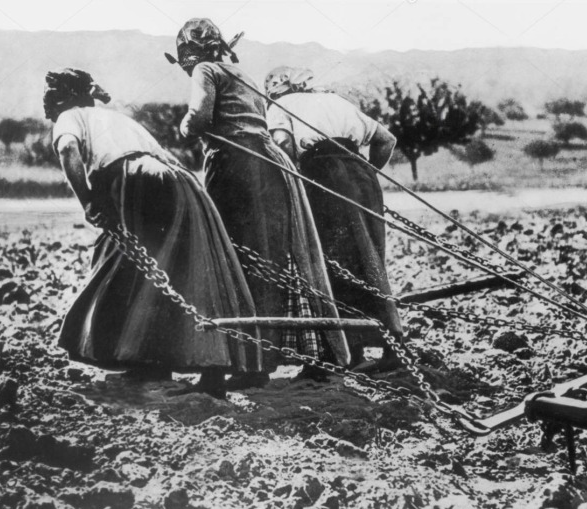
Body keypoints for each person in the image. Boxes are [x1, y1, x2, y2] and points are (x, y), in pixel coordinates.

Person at [45, 68, 266, 397]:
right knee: (189, 270)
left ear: (63, 99)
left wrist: (88, 201)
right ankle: (207, 370)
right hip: (182, 181)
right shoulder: (115, 119)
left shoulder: (70, 116)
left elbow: (67, 150)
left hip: (134, 178)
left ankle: (146, 361)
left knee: (124, 268)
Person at [166, 19, 350, 381]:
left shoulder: (206, 70)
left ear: (191, 53)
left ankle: (251, 365)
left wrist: (185, 128)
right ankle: (290, 356)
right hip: (269, 166)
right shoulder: (243, 73)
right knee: (275, 258)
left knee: (232, 259)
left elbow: (199, 117)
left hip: (236, 168)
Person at [264, 67, 403, 371]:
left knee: (334, 263)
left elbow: (283, 145)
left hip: (322, 177)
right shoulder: (336, 101)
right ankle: (395, 346)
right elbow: (386, 140)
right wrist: (363, 172)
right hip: (363, 178)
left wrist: (297, 180)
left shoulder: (278, 107)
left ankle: (352, 352)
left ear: (274, 90)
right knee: (371, 260)